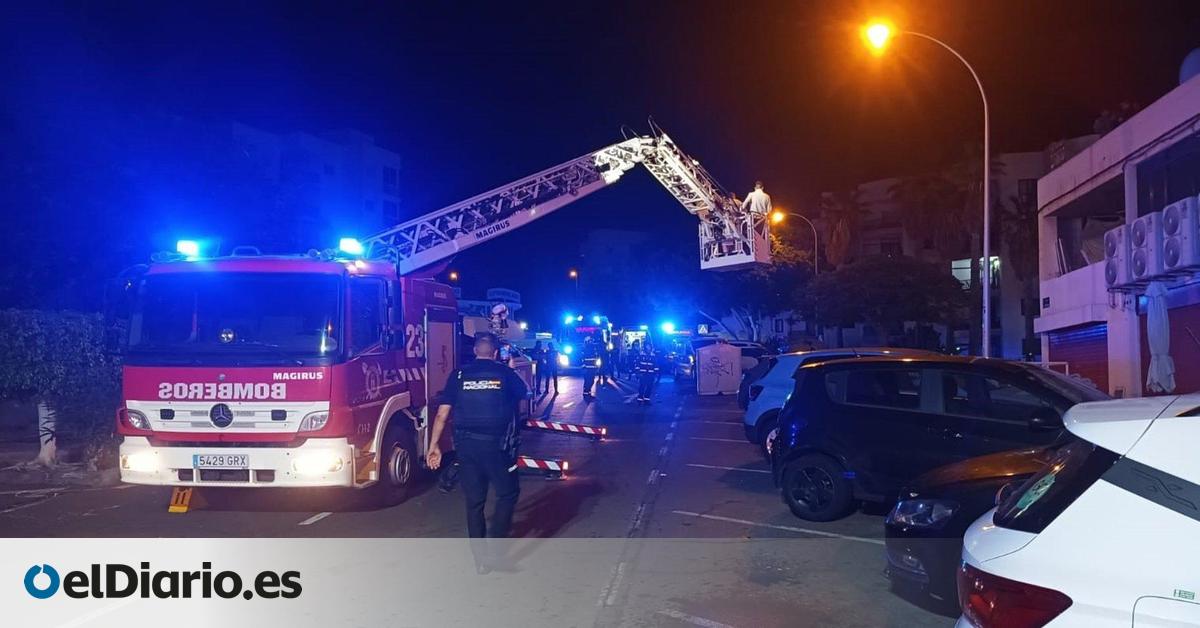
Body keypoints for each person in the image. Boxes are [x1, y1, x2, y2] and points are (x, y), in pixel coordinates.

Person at [426, 332, 528, 572]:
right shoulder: (505, 373)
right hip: (497, 447)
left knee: (474, 503)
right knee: (507, 494)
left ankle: (480, 560)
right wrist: (510, 368)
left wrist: (434, 446)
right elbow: (525, 394)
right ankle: (496, 543)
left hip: (466, 448)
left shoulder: (459, 375)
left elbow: (442, 414)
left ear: (475, 352)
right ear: (495, 353)